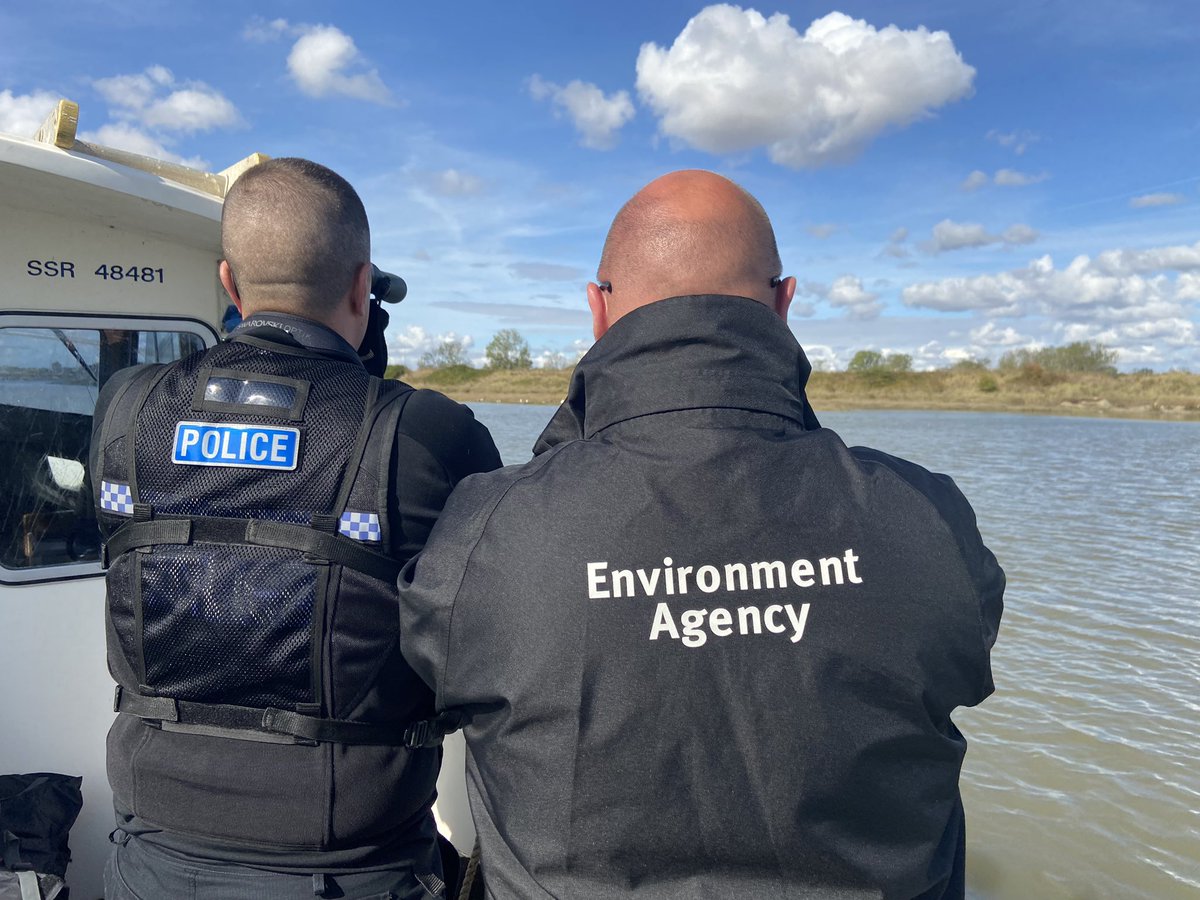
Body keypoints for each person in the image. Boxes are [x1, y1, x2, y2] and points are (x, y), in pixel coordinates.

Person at [397, 170, 1004, 899]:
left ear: (598, 310)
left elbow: (430, 675)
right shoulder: (925, 517)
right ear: (784, 304)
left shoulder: (492, 529)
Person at [91, 157, 501, 899]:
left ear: (229, 283)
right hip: (351, 863)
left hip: (149, 854)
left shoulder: (125, 408)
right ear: (360, 283)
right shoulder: (428, 434)